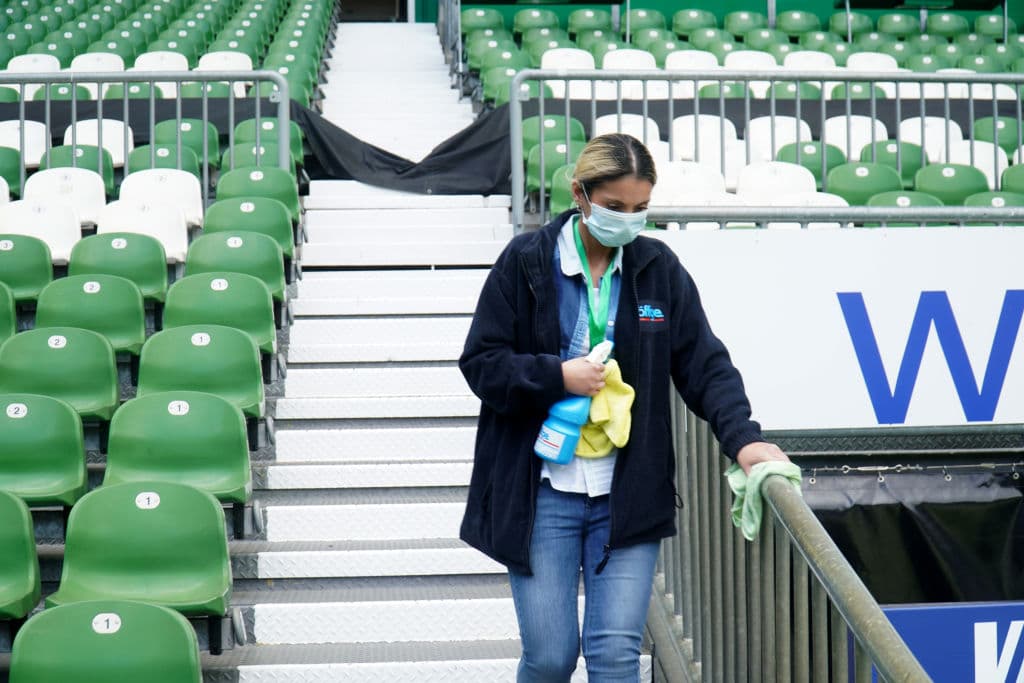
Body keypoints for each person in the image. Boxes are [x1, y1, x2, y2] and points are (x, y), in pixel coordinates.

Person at [459, 133, 790, 682]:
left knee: (615, 656)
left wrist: (744, 438)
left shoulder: (657, 266)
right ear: (581, 195)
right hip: (542, 491)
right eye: (615, 208)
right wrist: (555, 375)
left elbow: (703, 363)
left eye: (640, 209)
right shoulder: (525, 262)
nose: (628, 221)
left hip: (627, 493)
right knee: (550, 657)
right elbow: (482, 363)